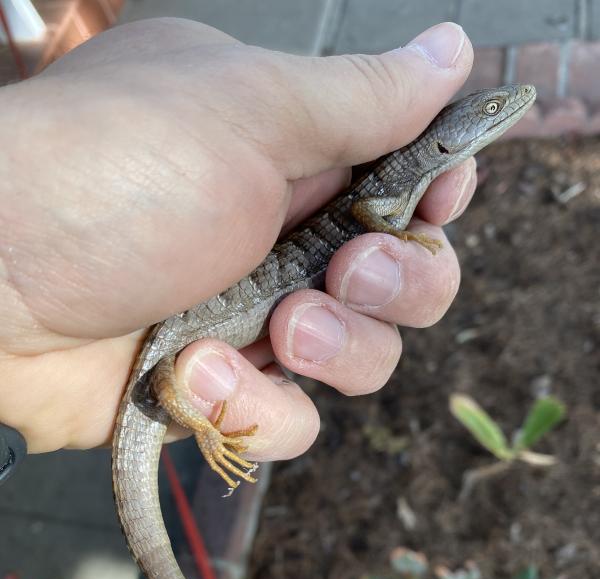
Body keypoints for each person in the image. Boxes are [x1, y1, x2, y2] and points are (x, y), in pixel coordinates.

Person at [0, 18, 476, 470]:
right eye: (489, 111)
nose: (504, 108)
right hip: (175, 336)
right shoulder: (391, 188)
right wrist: (207, 432)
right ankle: (207, 431)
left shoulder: (401, 180)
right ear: (441, 144)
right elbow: (365, 212)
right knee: (180, 384)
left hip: (182, 327)